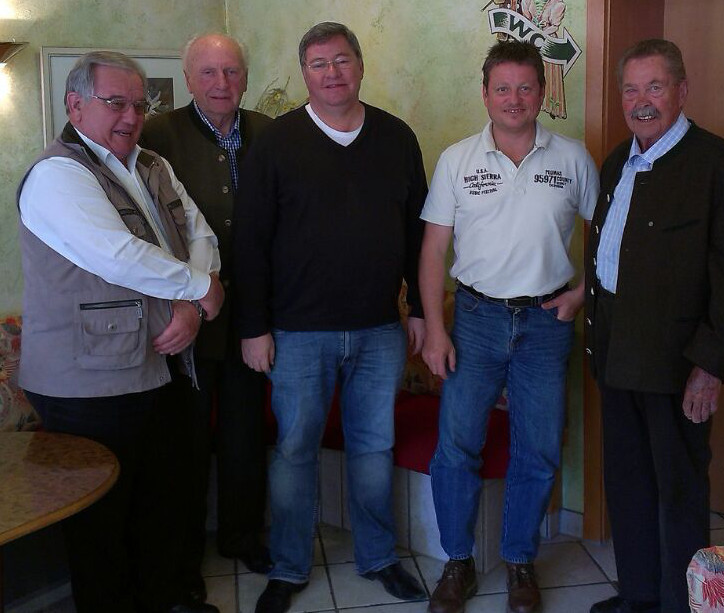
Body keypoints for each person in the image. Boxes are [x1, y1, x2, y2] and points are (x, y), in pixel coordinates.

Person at [17, 51, 225, 613]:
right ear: (75, 105)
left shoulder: (153, 165)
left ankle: (163, 599)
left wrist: (192, 305)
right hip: (86, 383)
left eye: (139, 104)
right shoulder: (57, 174)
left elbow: (200, 234)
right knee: (102, 522)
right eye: (116, 103)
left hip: (153, 367)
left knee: (159, 501)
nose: (132, 116)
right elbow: (117, 255)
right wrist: (200, 289)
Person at [233, 21, 428, 613]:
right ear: (305, 74)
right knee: (295, 451)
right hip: (296, 333)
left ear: (360, 66)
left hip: (378, 329)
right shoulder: (275, 144)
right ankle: (289, 567)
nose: (332, 73)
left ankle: (378, 557)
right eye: (318, 64)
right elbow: (250, 243)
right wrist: (253, 327)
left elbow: (418, 233)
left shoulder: (396, 138)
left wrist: (421, 309)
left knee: (374, 448)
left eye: (342, 60)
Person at [585, 39, 724, 613]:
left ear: (682, 91)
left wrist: (709, 367)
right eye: (630, 89)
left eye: (655, 87)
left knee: (678, 493)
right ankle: (639, 597)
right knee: (629, 487)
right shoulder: (617, 160)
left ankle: (679, 605)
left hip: (677, 367)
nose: (641, 101)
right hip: (616, 357)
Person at [419, 41, 598, 613]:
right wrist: (435, 328)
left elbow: (608, 234)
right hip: (474, 321)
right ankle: (458, 561)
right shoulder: (457, 160)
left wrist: (582, 295)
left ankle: (520, 560)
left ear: (542, 93)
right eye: (503, 88)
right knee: (456, 446)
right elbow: (433, 250)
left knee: (538, 449)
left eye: (525, 87)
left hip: (546, 323)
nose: (514, 99)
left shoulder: (573, 158)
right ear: (485, 94)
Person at [141, 33, 273, 596]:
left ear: (245, 76)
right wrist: (184, 298)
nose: (222, 84)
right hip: (185, 315)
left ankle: (242, 536)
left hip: (253, 317)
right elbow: (143, 224)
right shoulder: (156, 135)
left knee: (246, 433)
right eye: (210, 73)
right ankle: (183, 560)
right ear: (188, 78)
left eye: (232, 72)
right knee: (185, 444)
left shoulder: (268, 132)